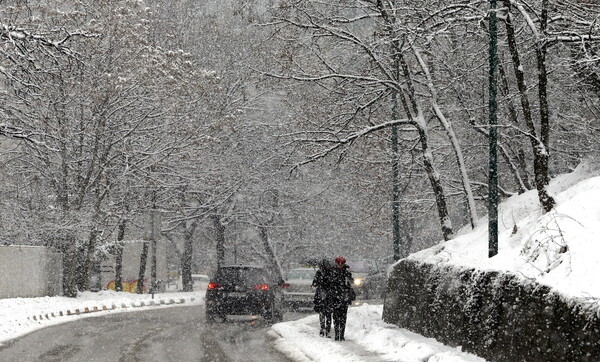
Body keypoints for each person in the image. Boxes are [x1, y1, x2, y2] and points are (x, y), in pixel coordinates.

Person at [330, 256, 355, 341]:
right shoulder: (333, 271)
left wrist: (348, 278)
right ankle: (337, 334)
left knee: (343, 316)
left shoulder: (346, 271)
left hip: (344, 296)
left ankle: (342, 334)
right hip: (335, 297)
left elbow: (351, 281)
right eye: (339, 264)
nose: (340, 265)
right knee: (336, 316)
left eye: (342, 264)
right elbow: (331, 282)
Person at [312, 258, 334, 337]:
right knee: (324, 313)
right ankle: (323, 328)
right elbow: (315, 282)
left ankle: (326, 329)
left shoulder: (326, 272)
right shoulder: (320, 272)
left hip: (325, 295)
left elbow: (315, 282)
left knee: (327, 313)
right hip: (323, 295)